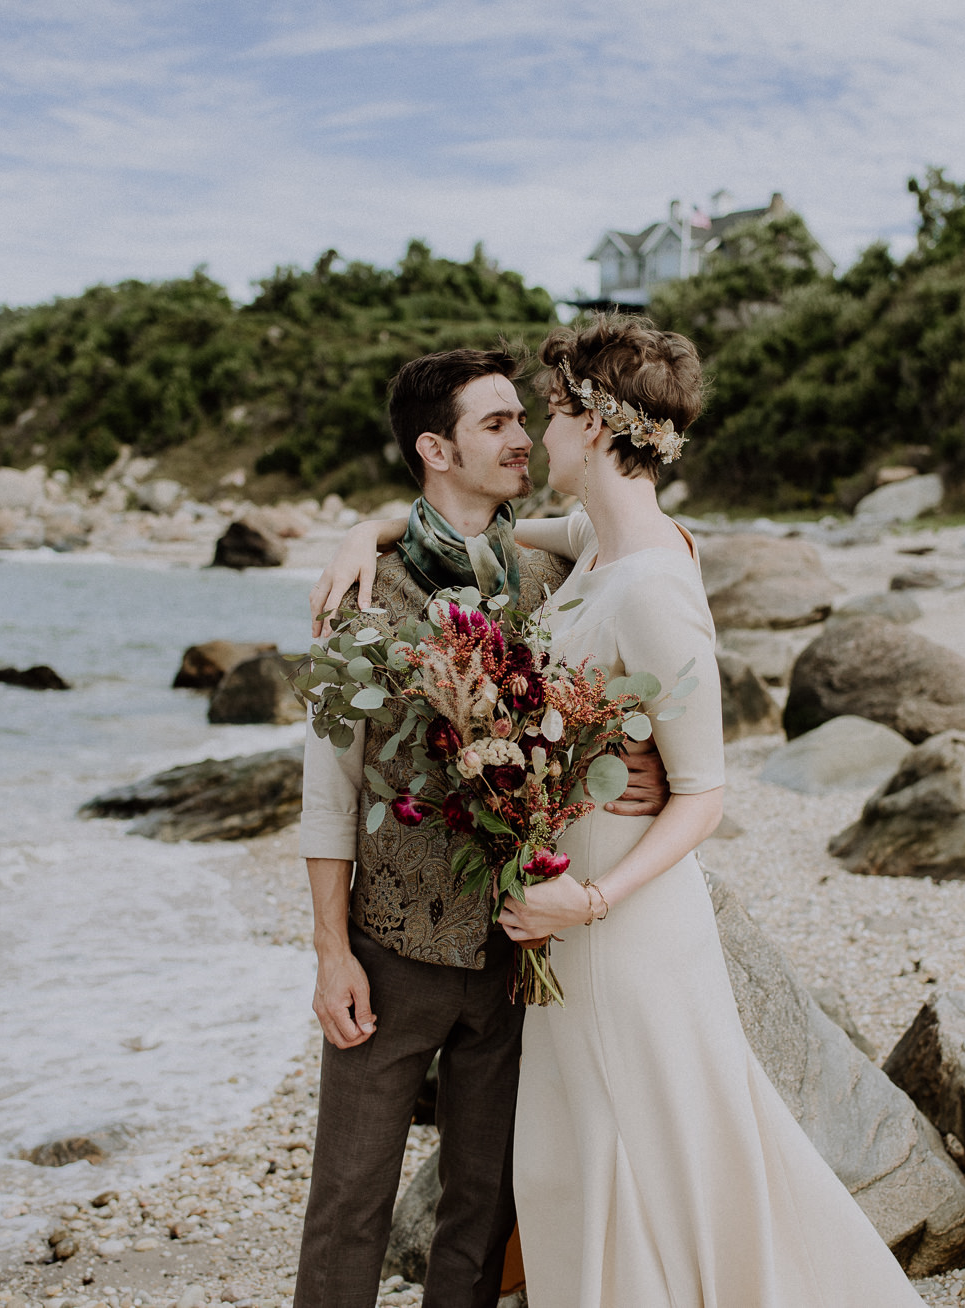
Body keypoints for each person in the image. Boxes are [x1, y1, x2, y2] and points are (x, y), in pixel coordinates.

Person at [315, 317, 929, 1306]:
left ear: (594, 426)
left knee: (648, 1158)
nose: (535, 436)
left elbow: (705, 794)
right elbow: (477, 531)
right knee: (582, 1165)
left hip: (619, 927)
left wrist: (589, 900)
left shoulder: (652, 581)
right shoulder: (603, 538)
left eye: (549, 412)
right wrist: (367, 529)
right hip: (562, 920)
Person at [293, 347, 669, 1308]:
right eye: (494, 424)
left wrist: (646, 748)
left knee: (485, 1208)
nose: (518, 439)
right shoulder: (368, 599)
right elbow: (331, 793)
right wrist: (333, 952)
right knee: (348, 1205)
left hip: (516, 958)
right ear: (435, 447)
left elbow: (654, 534)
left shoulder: (548, 572)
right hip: (394, 954)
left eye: (520, 419)